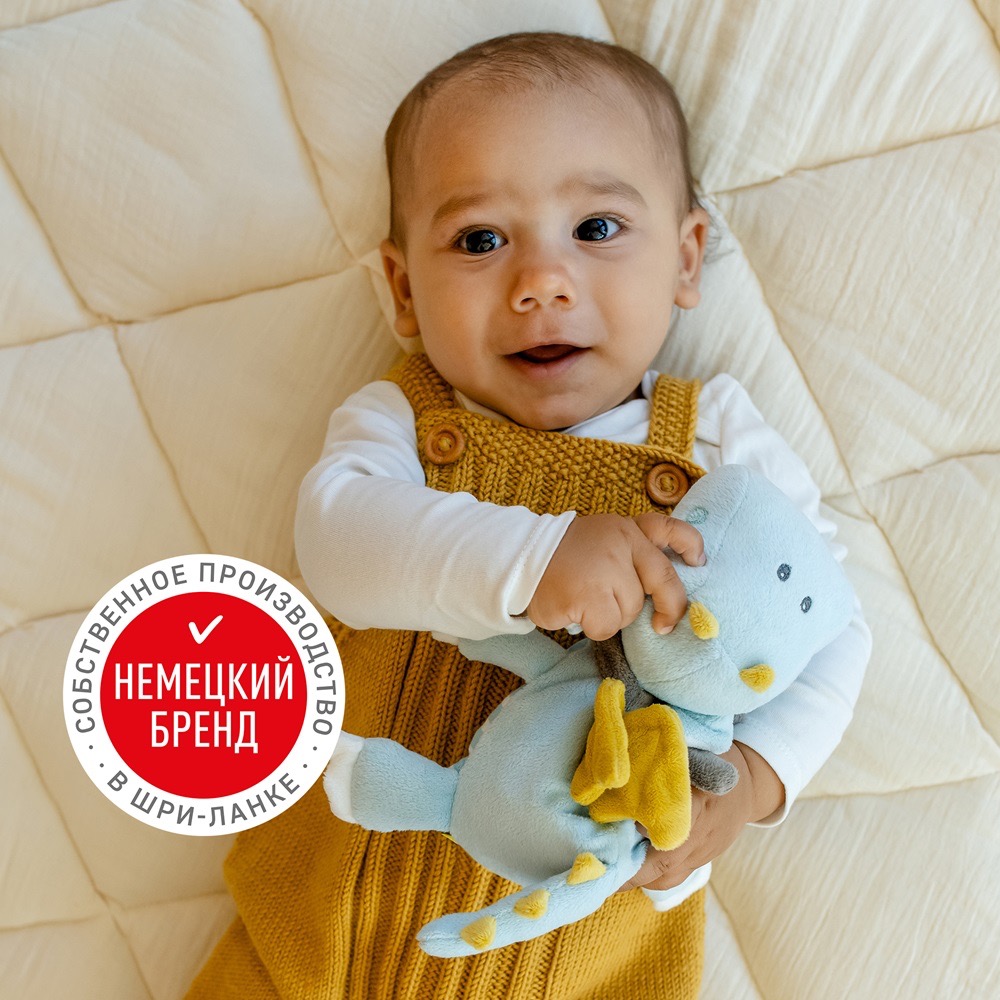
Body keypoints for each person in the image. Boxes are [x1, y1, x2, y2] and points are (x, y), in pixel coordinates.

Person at [187, 31, 871, 1000]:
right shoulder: (402, 420)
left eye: (596, 227)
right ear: (403, 290)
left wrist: (758, 777)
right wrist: (535, 557)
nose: (540, 281)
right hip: (310, 931)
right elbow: (336, 544)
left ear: (685, 259)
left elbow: (828, 618)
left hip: (594, 958)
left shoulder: (717, 439)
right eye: (480, 240)